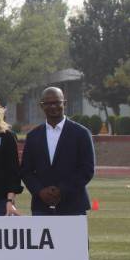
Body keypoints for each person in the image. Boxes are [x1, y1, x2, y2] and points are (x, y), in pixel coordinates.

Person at [20, 86, 96, 215]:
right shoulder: (33, 136)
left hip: (73, 204)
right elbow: (26, 171)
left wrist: (62, 190)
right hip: (41, 205)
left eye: (56, 102)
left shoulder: (81, 133)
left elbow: (86, 170)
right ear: (41, 106)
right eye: (48, 103)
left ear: (64, 103)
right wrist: (40, 191)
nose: (53, 106)